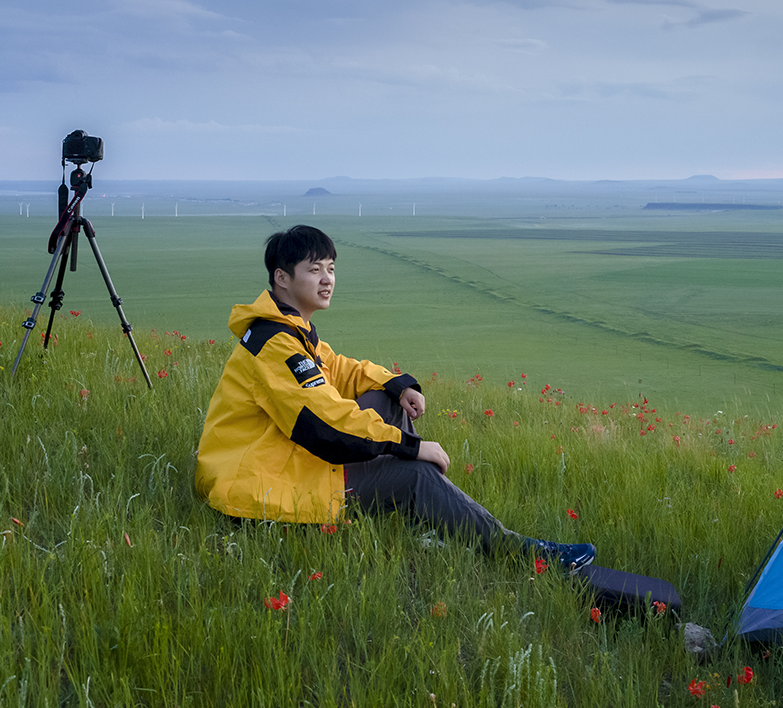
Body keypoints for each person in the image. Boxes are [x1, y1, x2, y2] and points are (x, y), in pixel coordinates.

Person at [193, 225, 596, 568]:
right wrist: (411, 446)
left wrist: (396, 384)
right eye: (313, 270)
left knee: (385, 401)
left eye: (331, 269)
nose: (327, 279)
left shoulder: (289, 329)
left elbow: (341, 369)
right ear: (282, 278)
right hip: (260, 487)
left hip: (276, 459)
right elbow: (324, 423)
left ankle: (423, 515)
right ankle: (521, 553)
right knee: (413, 472)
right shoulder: (275, 343)